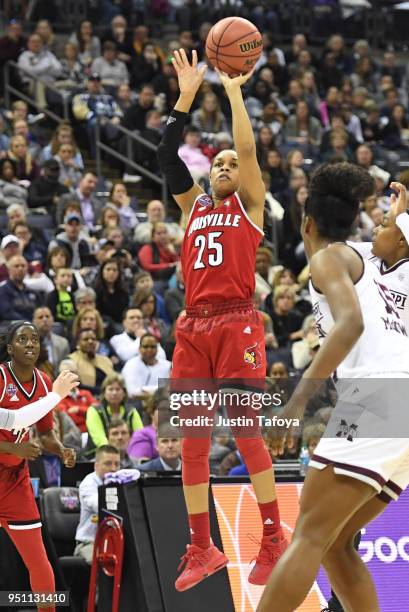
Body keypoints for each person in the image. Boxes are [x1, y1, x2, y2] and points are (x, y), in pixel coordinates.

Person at [156, 48, 288, 592]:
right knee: (191, 439)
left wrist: (233, 90)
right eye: (220, 162)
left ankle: (275, 538)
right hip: (192, 327)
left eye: (233, 163)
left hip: (237, 323)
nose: (227, 166)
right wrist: (186, 97)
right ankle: (202, 546)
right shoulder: (194, 208)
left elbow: (250, 149)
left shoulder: (249, 206)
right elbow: (167, 153)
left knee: (246, 430)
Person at [257, 169, 409, 612]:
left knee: (309, 535)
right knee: (336, 544)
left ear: (306, 223)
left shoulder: (328, 258)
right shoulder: (380, 263)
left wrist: (295, 403)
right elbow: (395, 244)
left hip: (378, 395)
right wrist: (400, 215)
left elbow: (351, 323)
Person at [0, 322, 77, 612]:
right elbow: (16, 420)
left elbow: (44, 432)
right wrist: (13, 447)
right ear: (10, 349)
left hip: (14, 480)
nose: (31, 344)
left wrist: (60, 450)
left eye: (34, 339)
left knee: (39, 560)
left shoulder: (44, 381)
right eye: (22, 339)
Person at [74, 444, 120, 564]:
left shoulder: (120, 482)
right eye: (108, 463)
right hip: (89, 543)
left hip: (113, 542)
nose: (114, 469)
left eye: (117, 464)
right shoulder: (88, 484)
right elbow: (102, 507)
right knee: (104, 562)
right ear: (96, 465)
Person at [85, 373, 142, 456]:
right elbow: (99, 439)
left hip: (128, 455)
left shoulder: (132, 411)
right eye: (110, 389)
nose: (114, 393)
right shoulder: (94, 411)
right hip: (98, 455)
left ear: (124, 393)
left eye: (118, 389)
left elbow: (139, 436)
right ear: (104, 392)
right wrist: (112, 453)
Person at [121, 333, 171, 399]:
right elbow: (132, 393)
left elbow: (170, 390)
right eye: (145, 346)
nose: (149, 349)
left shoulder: (167, 366)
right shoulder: (131, 365)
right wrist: (158, 392)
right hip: (137, 404)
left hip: (162, 404)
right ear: (139, 348)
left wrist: (146, 391)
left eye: (153, 347)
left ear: (157, 348)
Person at [0, 255, 41, 321]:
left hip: (33, 327)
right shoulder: (2, 291)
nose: (20, 269)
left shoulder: (33, 292)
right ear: (8, 269)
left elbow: (41, 311)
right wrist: (28, 323)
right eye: (16, 266)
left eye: (23, 266)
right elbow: (7, 314)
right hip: (11, 327)